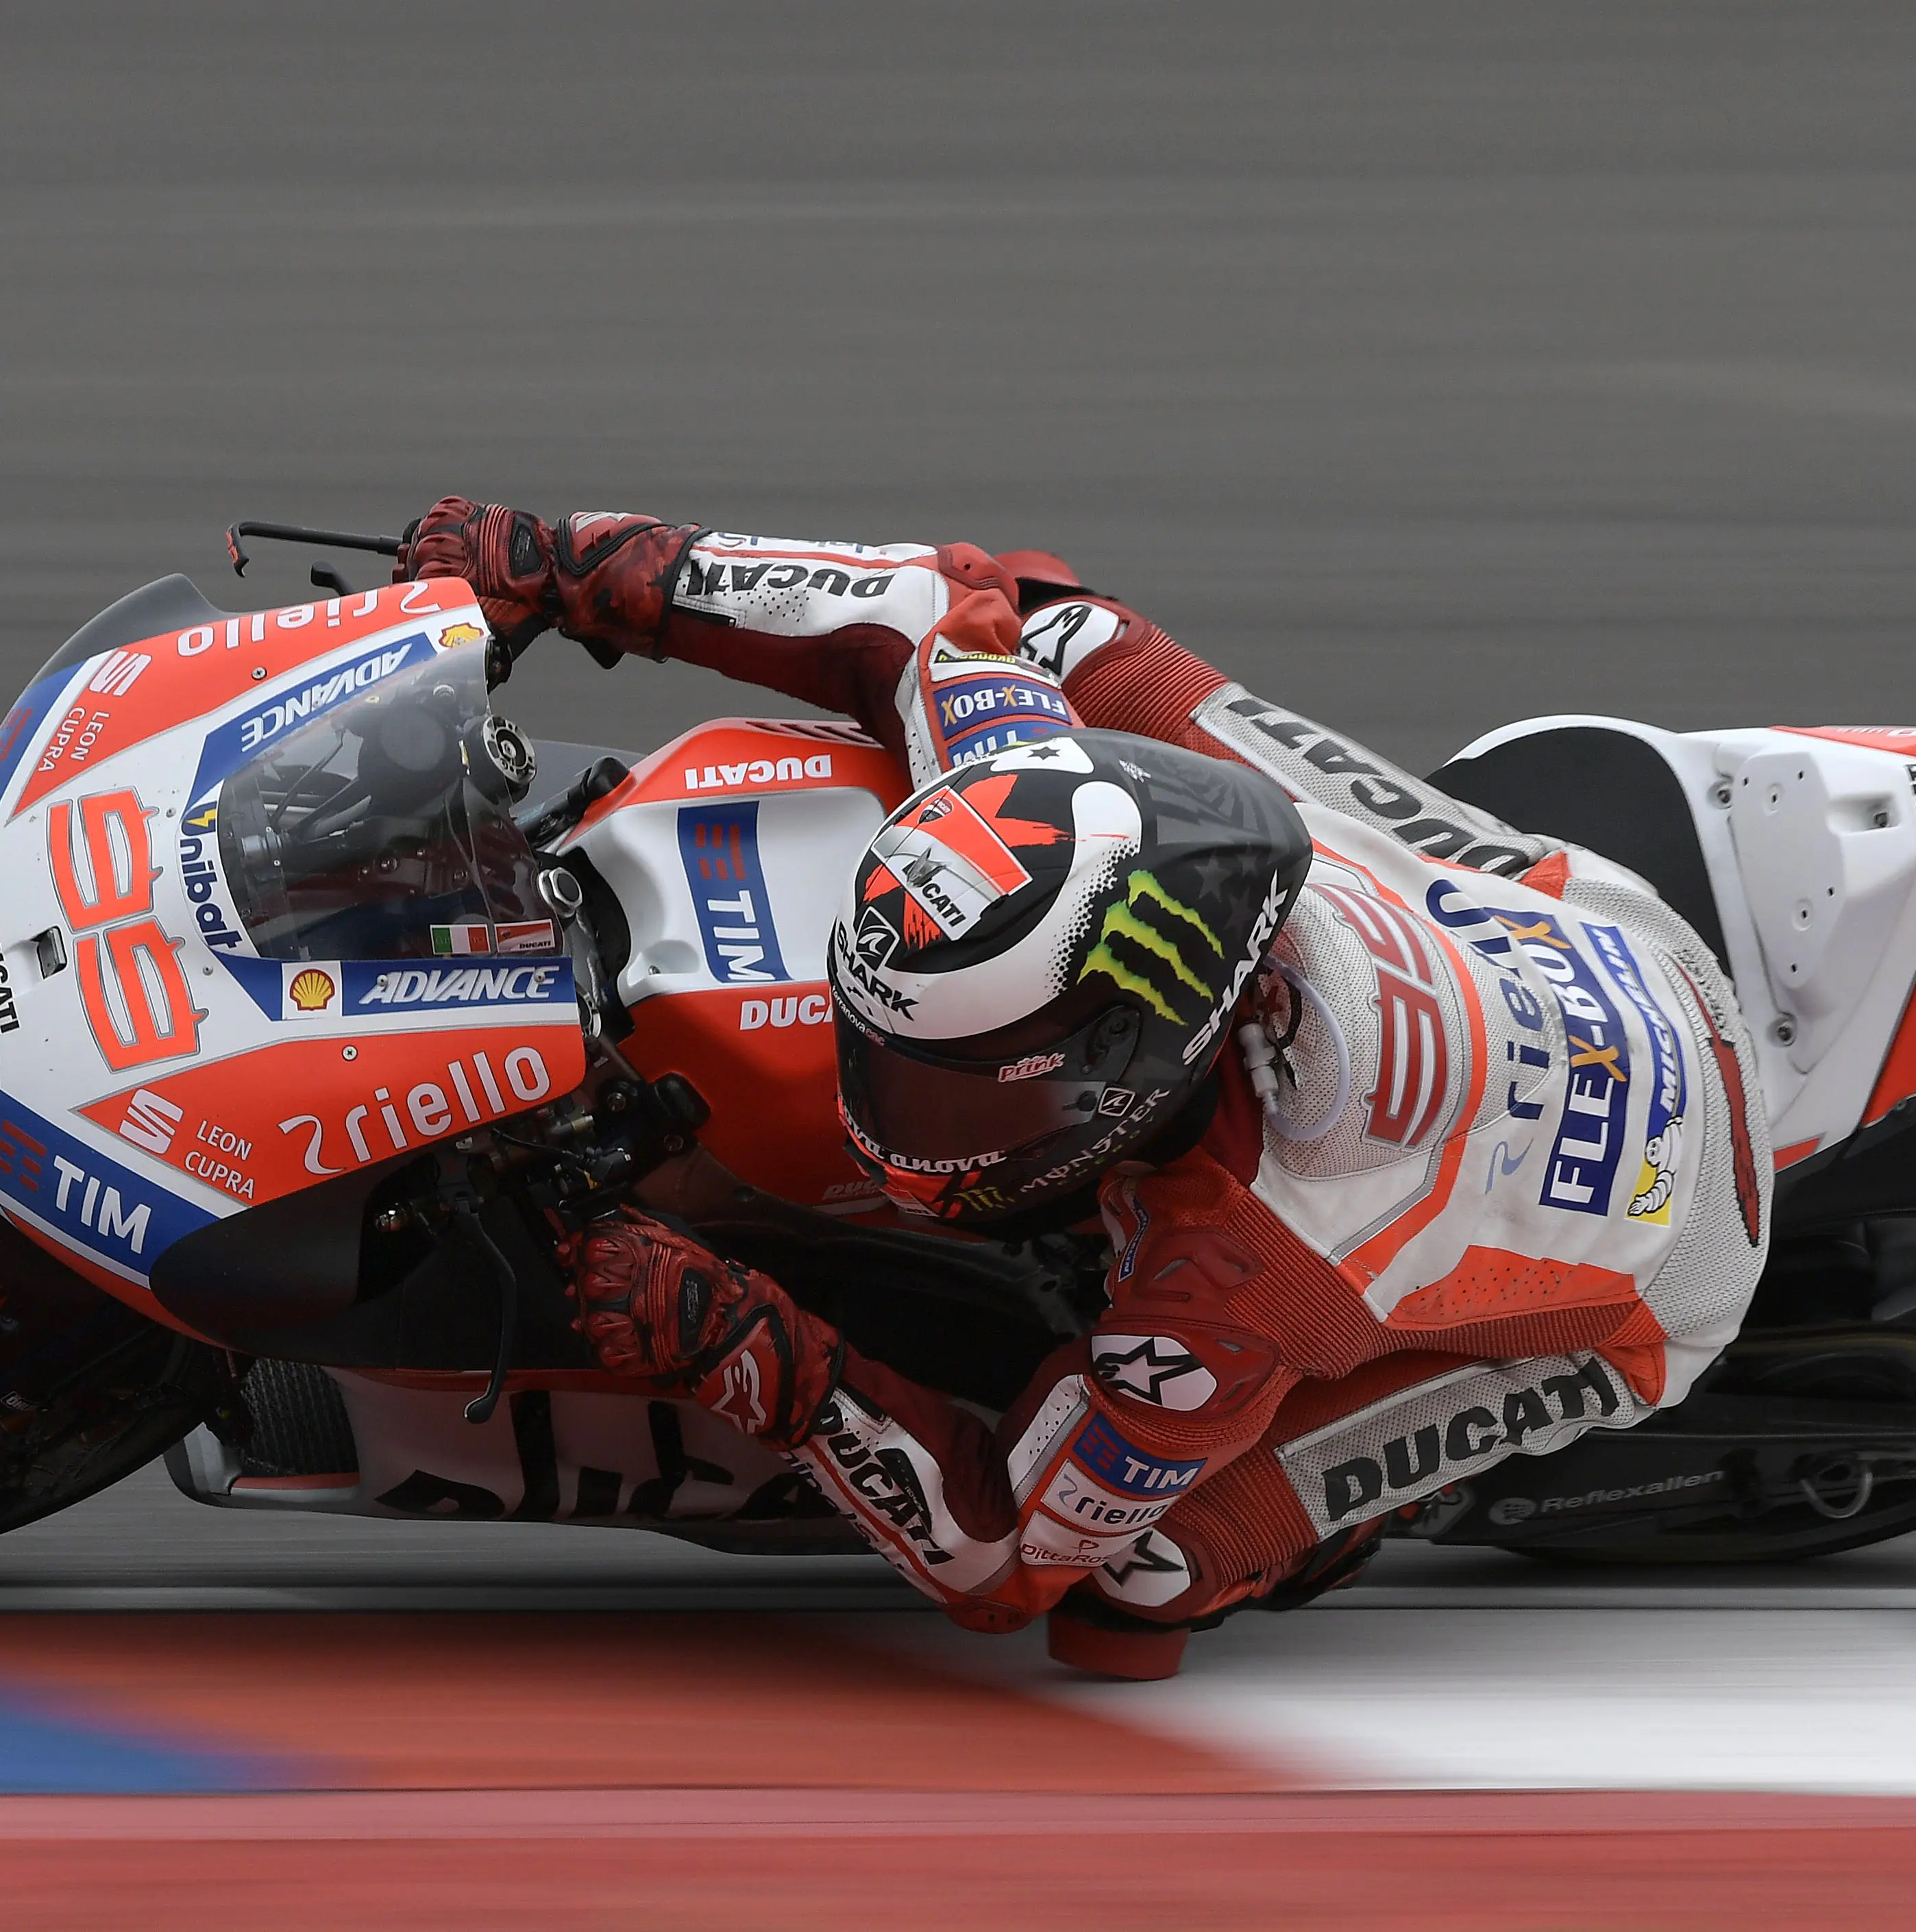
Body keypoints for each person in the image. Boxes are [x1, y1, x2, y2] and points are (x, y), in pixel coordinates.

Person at [393, 501, 1771, 1678]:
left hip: (1664, 1266)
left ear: (1123, 1078)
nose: (894, 1119)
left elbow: (998, 1558)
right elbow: (929, 600)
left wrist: (757, 1352)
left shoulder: (1232, 1290)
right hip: (1582, 921)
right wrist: (572, 561)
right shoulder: (1042, 792)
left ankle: (1352, 1517)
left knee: (1139, 1580)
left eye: (947, 1088)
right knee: (1061, 630)